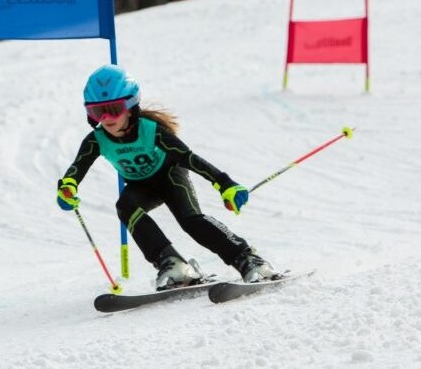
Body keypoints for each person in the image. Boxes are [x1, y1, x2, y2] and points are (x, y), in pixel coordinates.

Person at [56, 64, 279, 290]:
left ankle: (247, 258)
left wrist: (224, 183)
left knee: (190, 220)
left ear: (131, 105)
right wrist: (68, 187)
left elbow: (188, 158)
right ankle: (172, 263)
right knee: (125, 206)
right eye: (97, 111)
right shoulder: (96, 140)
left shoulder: (151, 130)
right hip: (141, 186)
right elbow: (78, 167)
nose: (106, 117)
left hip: (170, 177)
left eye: (113, 109)